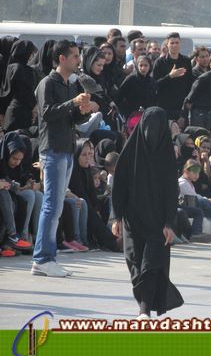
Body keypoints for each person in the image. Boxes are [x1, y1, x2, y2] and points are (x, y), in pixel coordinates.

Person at [31, 40, 97, 277]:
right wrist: (73, 103)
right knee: (51, 205)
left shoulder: (70, 84)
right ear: (62, 58)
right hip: (53, 150)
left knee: (56, 206)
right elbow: (47, 114)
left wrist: (82, 111)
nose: (79, 60)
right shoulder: (47, 83)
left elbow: (70, 120)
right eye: (75, 56)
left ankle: (45, 258)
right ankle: (43, 258)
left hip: (67, 148)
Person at [111, 107, 184, 319]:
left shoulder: (166, 156)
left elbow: (172, 190)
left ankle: (144, 311)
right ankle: (143, 307)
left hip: (158, 224)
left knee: (151, 267)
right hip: (132, 221)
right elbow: (120, 186)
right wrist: (116, 217)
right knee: (135, 266)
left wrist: (169, 223)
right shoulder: (130, 151)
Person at [152, 32, 193, 121]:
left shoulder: (186, 61)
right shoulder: (159, 62)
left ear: (180, 44)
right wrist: (170, 76)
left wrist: (189, 101)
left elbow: (190, 83)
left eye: (177, 43)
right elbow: (154, 84)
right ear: (167, 45)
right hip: (164, 106)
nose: (174, 45)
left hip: (181, 106)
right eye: (172, 43)